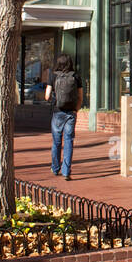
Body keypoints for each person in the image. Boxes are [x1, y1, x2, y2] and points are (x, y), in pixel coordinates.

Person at [48, 53, 82, 181]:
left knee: (56, 141)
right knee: (69, 141)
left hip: (57, 112)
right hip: (71, 113)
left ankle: (55, 168)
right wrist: (76, 109)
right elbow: (80, 97)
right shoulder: (76, 76)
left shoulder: (53, 75)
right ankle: (66, 171)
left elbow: (46, 95)